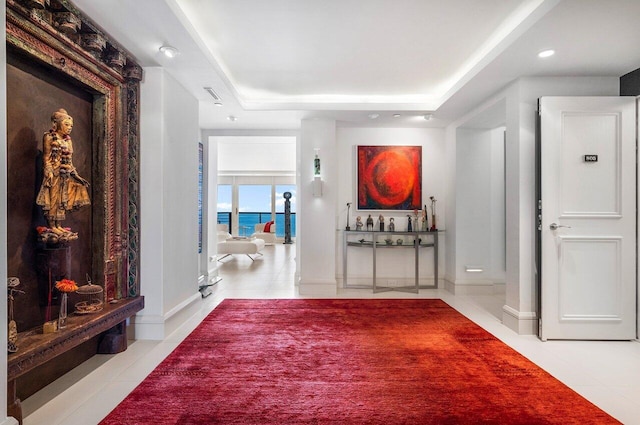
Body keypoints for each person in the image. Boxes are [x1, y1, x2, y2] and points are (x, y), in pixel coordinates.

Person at [36, 109, 90, 236]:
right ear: (57, 123)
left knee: (62, 200)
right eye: (66, 124)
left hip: (65, 174)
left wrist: (76, 176)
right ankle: (52, 225)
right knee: (53, 199)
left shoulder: (68, 141)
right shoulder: (49, 137)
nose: (69, 128)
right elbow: (47, 157)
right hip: (54, 173)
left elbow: (69, 162)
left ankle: (58, 225)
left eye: (71, 126)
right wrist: (48, 171)